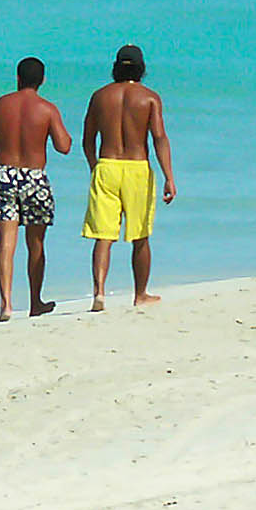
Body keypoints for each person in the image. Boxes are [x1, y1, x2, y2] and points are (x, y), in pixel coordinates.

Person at [0, 57, 72, 322]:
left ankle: (5, 304)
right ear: (42, 81)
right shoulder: (47, 108)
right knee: (36, 242)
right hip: (34, 177)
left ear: (17, 78)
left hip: (4, 174)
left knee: (6, 243)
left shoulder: (0, 105)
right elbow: (64, 146)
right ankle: (35, 301)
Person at [81, 43, 175, 310]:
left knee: (103, 236)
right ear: (141, 68)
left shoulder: (100, 96)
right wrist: (169, 176)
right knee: (141, 236)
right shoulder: (149, 97)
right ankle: (140, 294)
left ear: (115, 67)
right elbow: (159, 137)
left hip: (107, 165)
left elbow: (87, 139)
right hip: (137, 168)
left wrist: (94, 166)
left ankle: (99, 293)